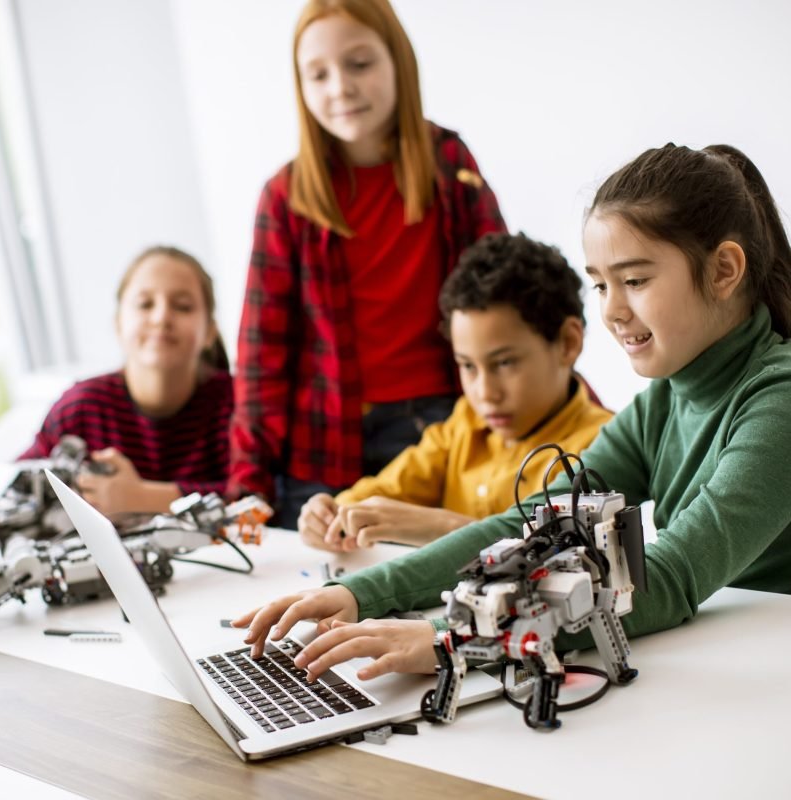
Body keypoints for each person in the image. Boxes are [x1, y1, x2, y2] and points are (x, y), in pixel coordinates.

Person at [234, 142, 791, 683]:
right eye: (601, 285)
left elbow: (671, 577)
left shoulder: (779, 400)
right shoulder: (663, 403)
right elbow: (527, 527)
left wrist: (450, 636)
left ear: (723, 271)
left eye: (635, 280)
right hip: (712, 663)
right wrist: (358, 593)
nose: (613, 311)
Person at [228, 0, 506, 529]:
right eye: (319, 74)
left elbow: (509, 297)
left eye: (359, 64)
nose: (340, 87)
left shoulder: (450, 166)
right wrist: (248, 484)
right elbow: (262, 357)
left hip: (440, 431)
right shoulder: (285, 199)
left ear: (398, 61)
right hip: (324, 449)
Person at [298, 232, 612, 551]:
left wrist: (445, 527)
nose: (485, 393)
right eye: (468, 366)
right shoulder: (464, 423)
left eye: (504, 363)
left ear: (568, 343)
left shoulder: (604, 446)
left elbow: (568, 554)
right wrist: (328, 514)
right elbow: (375, 495)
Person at [20, 246, 232, 515]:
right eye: (145, 304)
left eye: (183, 306)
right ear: (118, 323)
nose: (161, 317)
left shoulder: (236, 405)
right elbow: (16, 486)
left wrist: (141, 497)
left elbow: (258, 496)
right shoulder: (80, 408)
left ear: (210, 331)